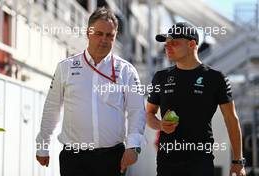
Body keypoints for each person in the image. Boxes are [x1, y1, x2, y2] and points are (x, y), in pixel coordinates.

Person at [36, 7, 146, 176]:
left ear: (115, 37)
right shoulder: (66, 67)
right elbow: (52, 108)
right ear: (88, 33)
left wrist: (133, 147)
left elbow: (137, 111)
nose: (104, 40)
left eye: (110, 35)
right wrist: (43, 145)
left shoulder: (127, 71)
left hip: (112, 158)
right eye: (99, 33)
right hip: (74, 159)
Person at [146, 22, 246, 176]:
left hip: (200, 162)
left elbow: (231, 119)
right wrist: (160, 124)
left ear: (192, 44)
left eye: (174, 43)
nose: (168, 47)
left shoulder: (215, 78)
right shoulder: (160, 77)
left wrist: (238, 161)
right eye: (166, 44)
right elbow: (149, 114)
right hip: (167, 162)